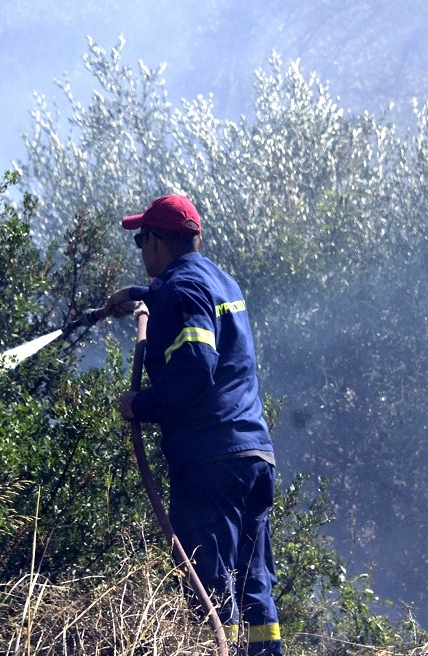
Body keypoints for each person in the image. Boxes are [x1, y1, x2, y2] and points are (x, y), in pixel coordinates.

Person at [101, 194, 283, 656]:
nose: (141, 249)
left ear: (160, 243)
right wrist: (140, 295)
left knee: (210, 582)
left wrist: (141, 405)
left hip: (211, 461)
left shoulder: (179, 292)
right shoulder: (221, 281)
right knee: (253, 581)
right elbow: (191, 300)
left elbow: (198, 363)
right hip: (253, 455)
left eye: (142, 239)